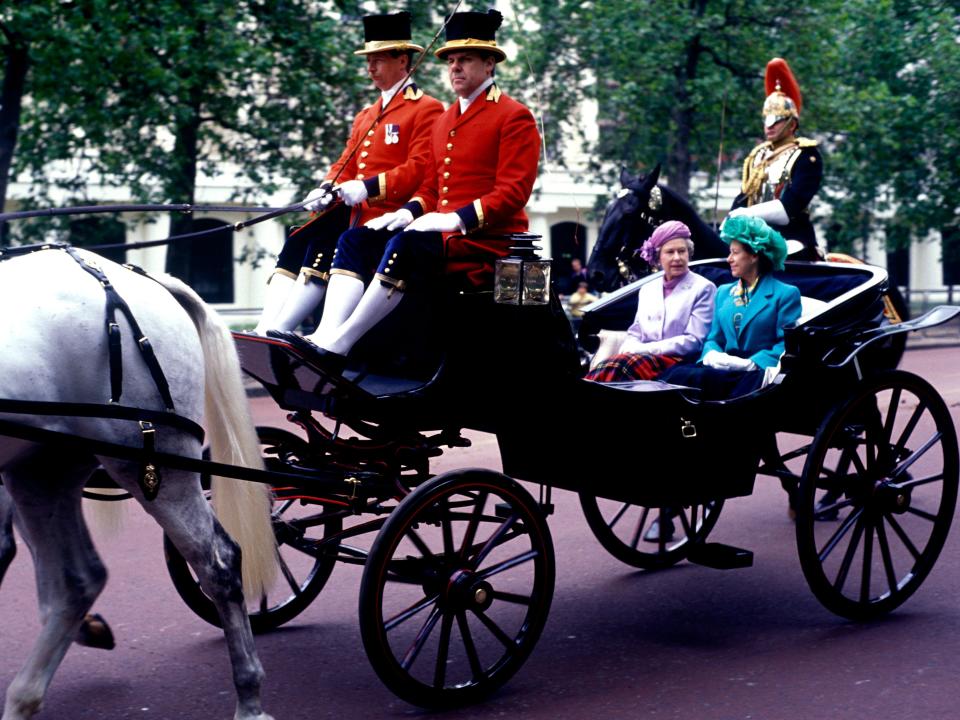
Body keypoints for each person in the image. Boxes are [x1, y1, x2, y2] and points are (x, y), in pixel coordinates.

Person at [271, 9, 541, 371]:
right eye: (451, 61)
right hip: (444, 233)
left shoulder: (513, 115)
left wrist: (451, 220)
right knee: (355, 240)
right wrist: (410, 211)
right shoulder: (446, 119)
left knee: (405, 245)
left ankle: (341, 342)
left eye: (465, 59)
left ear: (489, 64)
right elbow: (430, 184)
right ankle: (324, 334)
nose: (455, 68)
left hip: (487, 238)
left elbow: (513, 192)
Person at [253, 11, 443, 335]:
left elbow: (419, 168)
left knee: (338, 241)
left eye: (379, 59)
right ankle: (270, 329)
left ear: (403, 60)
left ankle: (313, 333)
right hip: (353, 213)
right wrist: (327, 186)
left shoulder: (427, 108)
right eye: (368, 60)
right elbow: (346, 161)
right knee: (302, 239)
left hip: (389, 214)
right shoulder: (367, 114)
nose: (370, 68)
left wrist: (368, 187)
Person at [659, 215, 801, 399]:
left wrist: (751, 363)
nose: (729, 259)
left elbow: (785, 346)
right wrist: (712, 354)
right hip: (720, 371)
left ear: (754, 255)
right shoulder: (723, 292)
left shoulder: (785, 294)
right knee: (676, 377)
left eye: (735, 252)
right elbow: (713, 338)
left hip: (754, 375)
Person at [586, 220, 716, 383]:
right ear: (658, 257)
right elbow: (635, 332)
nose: (677, 257)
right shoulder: (648, 289)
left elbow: (694, 341)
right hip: (642, 359)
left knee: (620, 367)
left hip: (680, 361)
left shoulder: (703, 288)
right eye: (670, 252)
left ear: (689, 253)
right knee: (606, 367)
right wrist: (631, 347)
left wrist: (645, 350)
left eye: (682, 251)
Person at [728, 58, 823, 261]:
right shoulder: (758, 155)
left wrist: (748, 213)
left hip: (791, 236)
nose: (769, 126)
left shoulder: (807, 154)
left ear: (792, 124)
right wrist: (732, 217)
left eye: (776, 120)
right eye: (766, 120)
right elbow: (745, 196)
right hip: (753, 236)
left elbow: (791, 206)